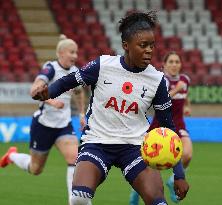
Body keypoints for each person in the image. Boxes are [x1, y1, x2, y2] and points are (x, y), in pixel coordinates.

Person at [30, 11, 189, 205]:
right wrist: (48, 92)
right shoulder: (102, 65)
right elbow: (68, 82)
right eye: (143, 45)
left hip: (135, 147)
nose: (149, 50)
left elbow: (168, 127)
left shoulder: (157, 80)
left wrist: (179, 173)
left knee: (158, 203)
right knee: (78, 199)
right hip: (97, 142)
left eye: (152, 45)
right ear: (126, 46)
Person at [0, 35, 86, 205]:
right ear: (61, 53)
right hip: (43, 125)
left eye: (76, 52)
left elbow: (78, 92)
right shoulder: (50, 68)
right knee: (35, 169)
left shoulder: (75, 72)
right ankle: (12, 156)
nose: (75, 56)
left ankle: (73, 202)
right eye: (72, 52)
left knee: (74, 158)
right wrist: (52, 101)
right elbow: (34, 90)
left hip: (64, 125)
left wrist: (82, 113)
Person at [129, 51, 193, 204]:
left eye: (177, 62)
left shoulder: (185, 80)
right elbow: (157, 102)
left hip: (178, 124)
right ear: (164, 65)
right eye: (171, 61)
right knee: (149, 166)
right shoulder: (160, 80)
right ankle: (135, 192)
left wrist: (187, 107)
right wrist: (176, 90)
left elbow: (186, 95)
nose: (174, 64)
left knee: (188, 154)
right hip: (160, 126)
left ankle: (172, 180)